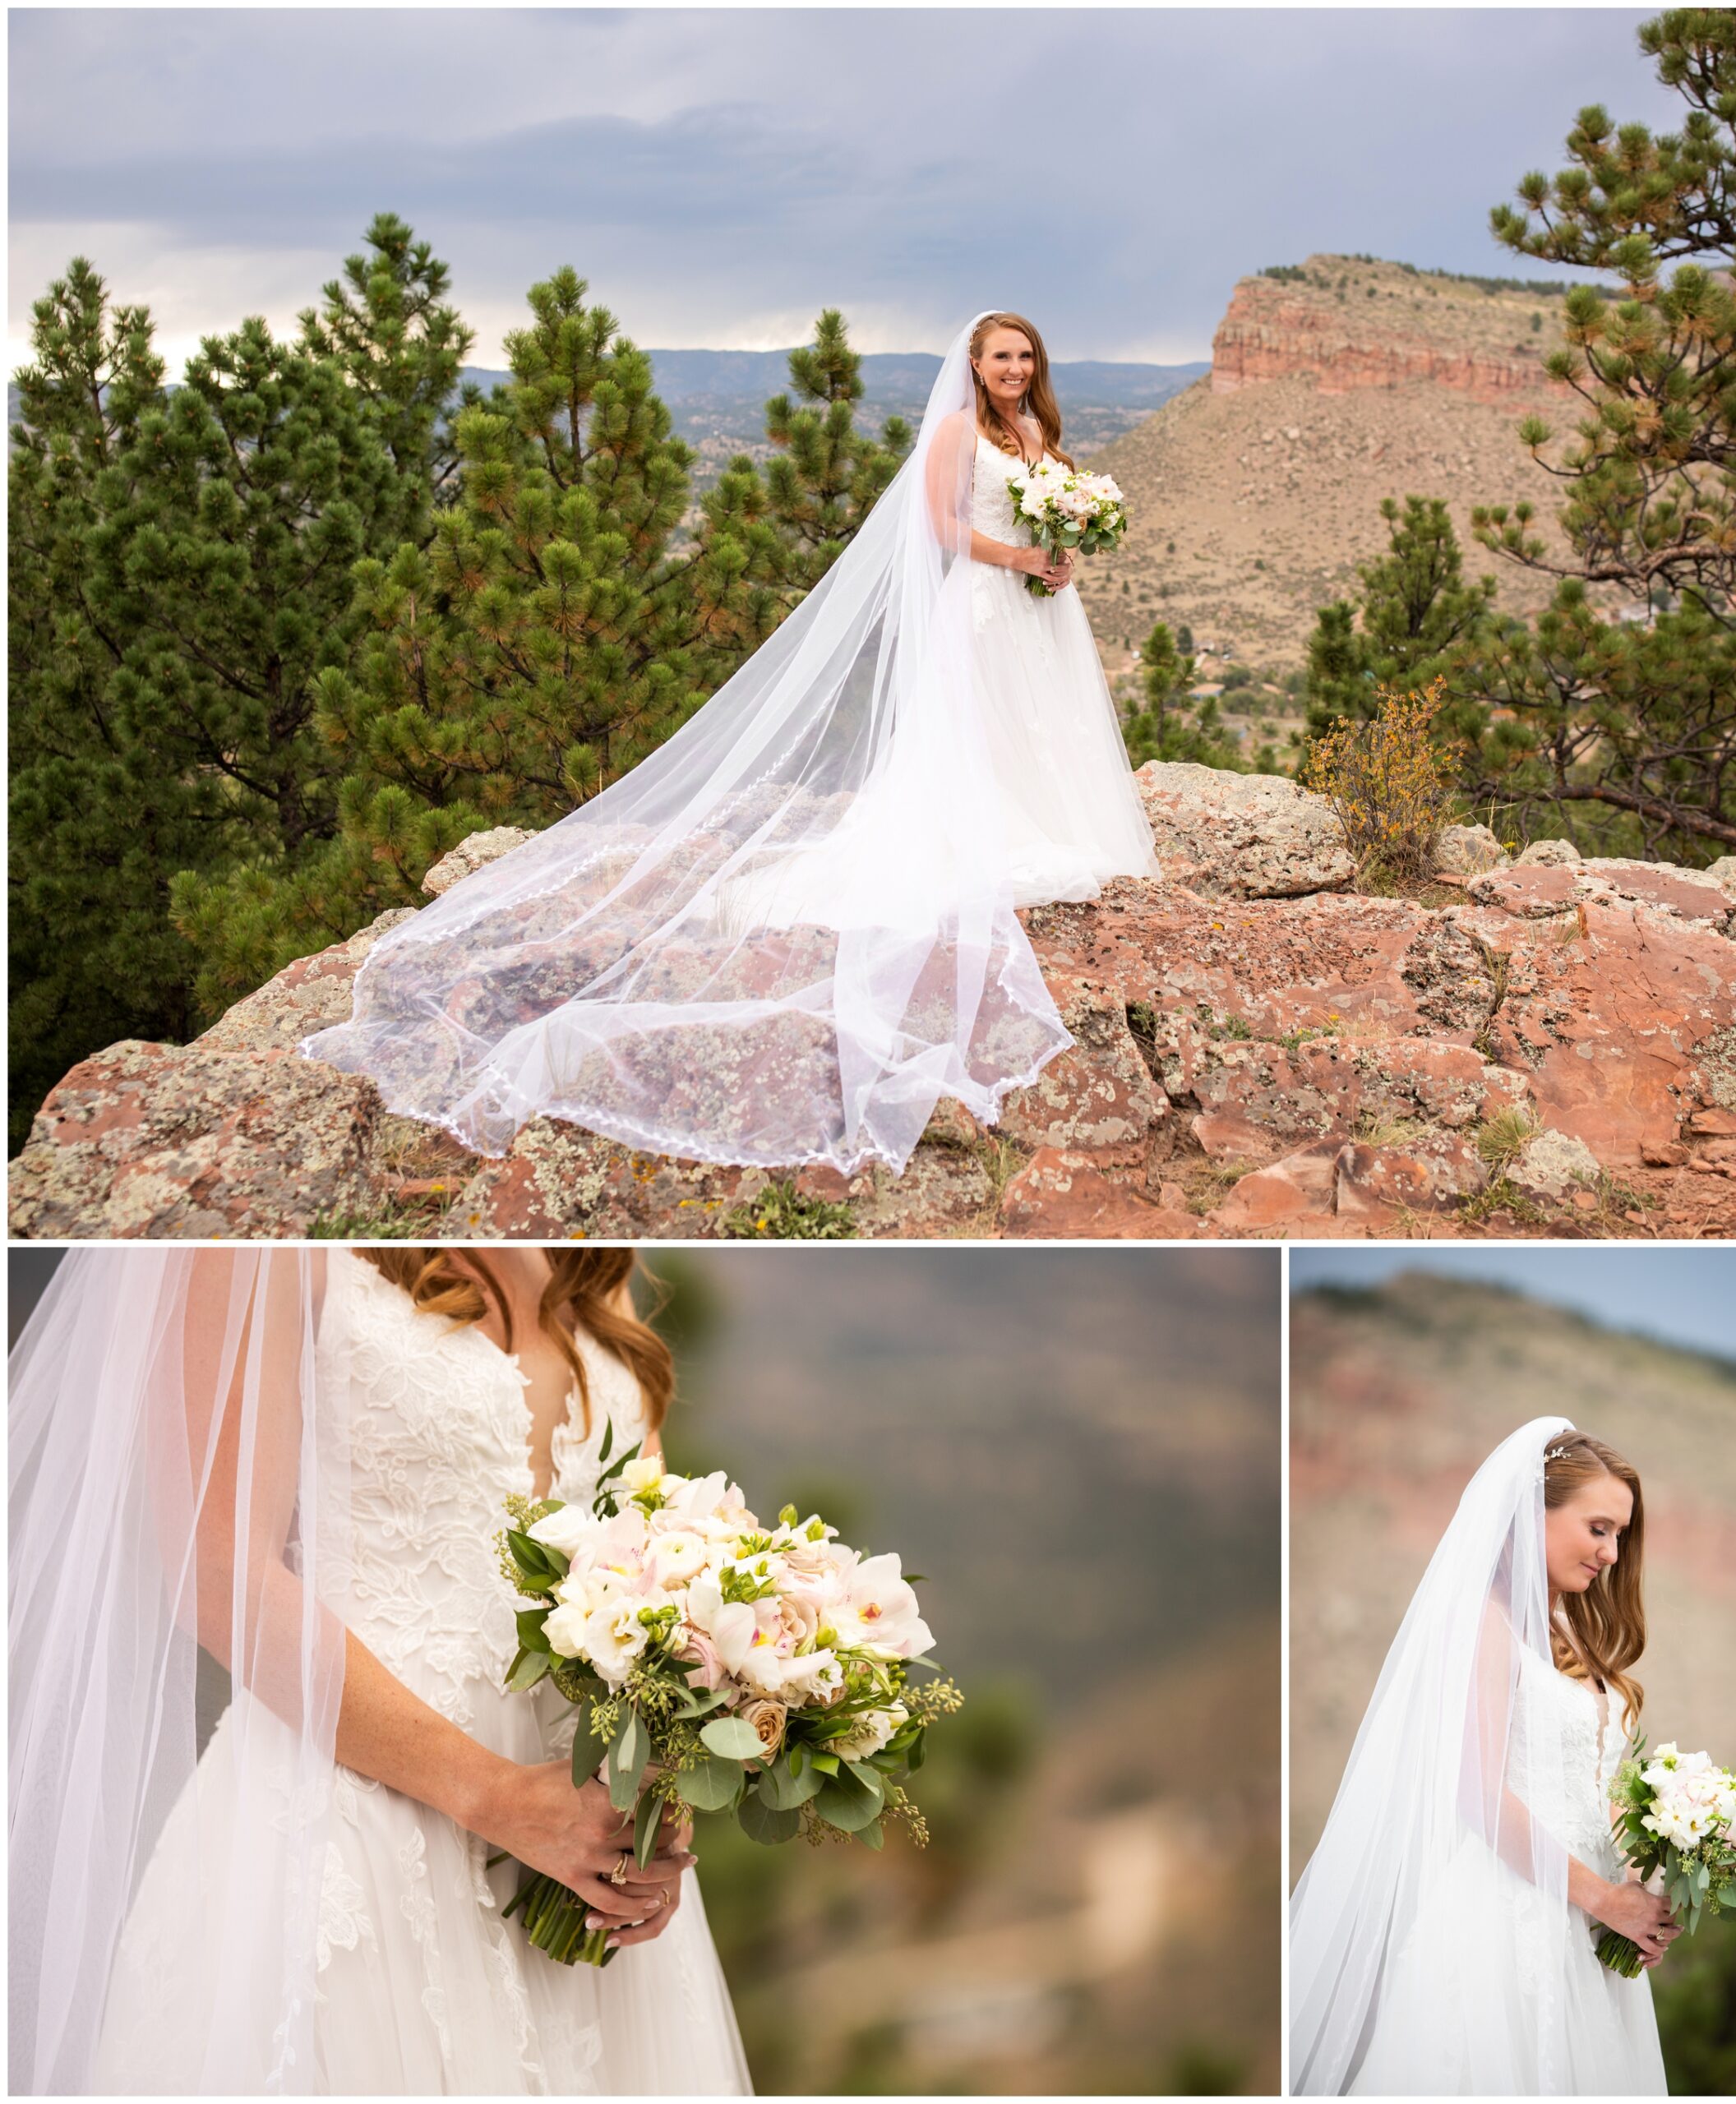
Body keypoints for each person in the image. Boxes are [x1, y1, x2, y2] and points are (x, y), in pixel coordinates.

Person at [301, 311, 1157, 1172]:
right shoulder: (954, 433)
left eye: (1025, 356)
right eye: (1000, 356)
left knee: (1039, 722)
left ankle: (1047, 816)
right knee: (983, 725)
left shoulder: (1037, 430)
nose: (1014, 368)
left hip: (1035, 609)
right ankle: (983, 828)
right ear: (973, 364)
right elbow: (937, 530)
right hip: (979, 603)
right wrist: (1017, 558)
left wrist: (1062, 549)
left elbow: (1046, 515)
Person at [9, 1246, 750, 2094]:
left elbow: (659, 1555)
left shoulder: (582, 1250)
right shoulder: (259, 1238)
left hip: (581, 1847)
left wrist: (658, 1788)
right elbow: (220, 1574)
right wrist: (497, 1796)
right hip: (352, 1833)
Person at [1290, 1418, 1671, 2095]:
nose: (1612, 1554)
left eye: (1620, 1535)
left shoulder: (1566, 1635)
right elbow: (1480, 1792)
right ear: (1534, 1513)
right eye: (1598, 1528)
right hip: (1507, 1923)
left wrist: (1661, 1875)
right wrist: (1608, 1900)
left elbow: (1589, 1788)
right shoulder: (1481, 1625)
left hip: (1586, 1937)